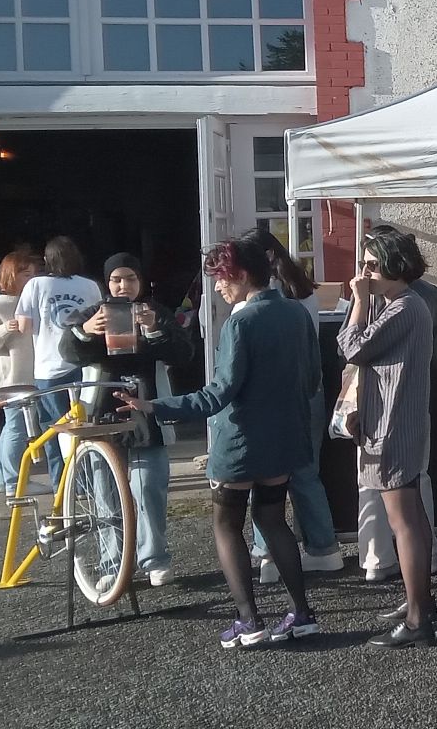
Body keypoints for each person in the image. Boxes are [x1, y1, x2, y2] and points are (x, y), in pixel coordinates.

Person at [117, 235, 321, 648]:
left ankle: (249, 619)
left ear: (241, 275)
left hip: (240, 441)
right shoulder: (296, 312)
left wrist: (153, 406)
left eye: (220, 277)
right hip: (284, 437)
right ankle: (301, 612)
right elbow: (313, 379)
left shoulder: (241, 322)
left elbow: (218, 394)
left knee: (227, 525)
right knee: (273, 520)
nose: (217, 287)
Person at [59, 253, 193, 588]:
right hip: (101, 412)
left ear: (141, 281)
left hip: (146, 410)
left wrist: (154, 329)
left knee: (149, 488)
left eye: (130, 278)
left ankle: (155, 560)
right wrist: (85, 331)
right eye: (116, 279)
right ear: (107, 283)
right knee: (105, 493)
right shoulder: (94, 314)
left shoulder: (155, 312)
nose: (123, 286)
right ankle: (113, 564)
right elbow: (68, 353)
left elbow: (184, 353)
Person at [342, 229, 437, 647]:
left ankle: (418, 620)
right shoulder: (406, 304)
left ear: (394, 266)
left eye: (371, 265)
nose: (363, 274)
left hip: (392, 426)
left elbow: (352, 347)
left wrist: (359, 300)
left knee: (404, 523)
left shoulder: (402, 307)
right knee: (412, 517)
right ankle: (421, 603)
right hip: (401, 422)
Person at [233, 227, 345, 585]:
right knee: (306, 473)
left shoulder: (254, 303)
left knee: (266, 478)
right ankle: (324, 548)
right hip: (309, 389)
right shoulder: (303, 290)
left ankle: (267, 553)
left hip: (270, 396)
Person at [16, 237, 103, 485]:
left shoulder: (36, 284)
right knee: (84, 428)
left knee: (53, 430)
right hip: (85, 366)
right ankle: (88, 483)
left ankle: (62, 487)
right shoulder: (91, 286)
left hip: (49, 368)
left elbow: (24, 326)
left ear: (47, 260)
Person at [0, 250, 40, 494]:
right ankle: (15, 483)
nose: (31, 280)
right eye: (25, 275)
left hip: (32, 376)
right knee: (17, 428)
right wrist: (4, 329)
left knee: (11, 427)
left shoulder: (34, 301)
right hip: (12, 379)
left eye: (33, 275)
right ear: (11, 276)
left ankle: (2, 480)